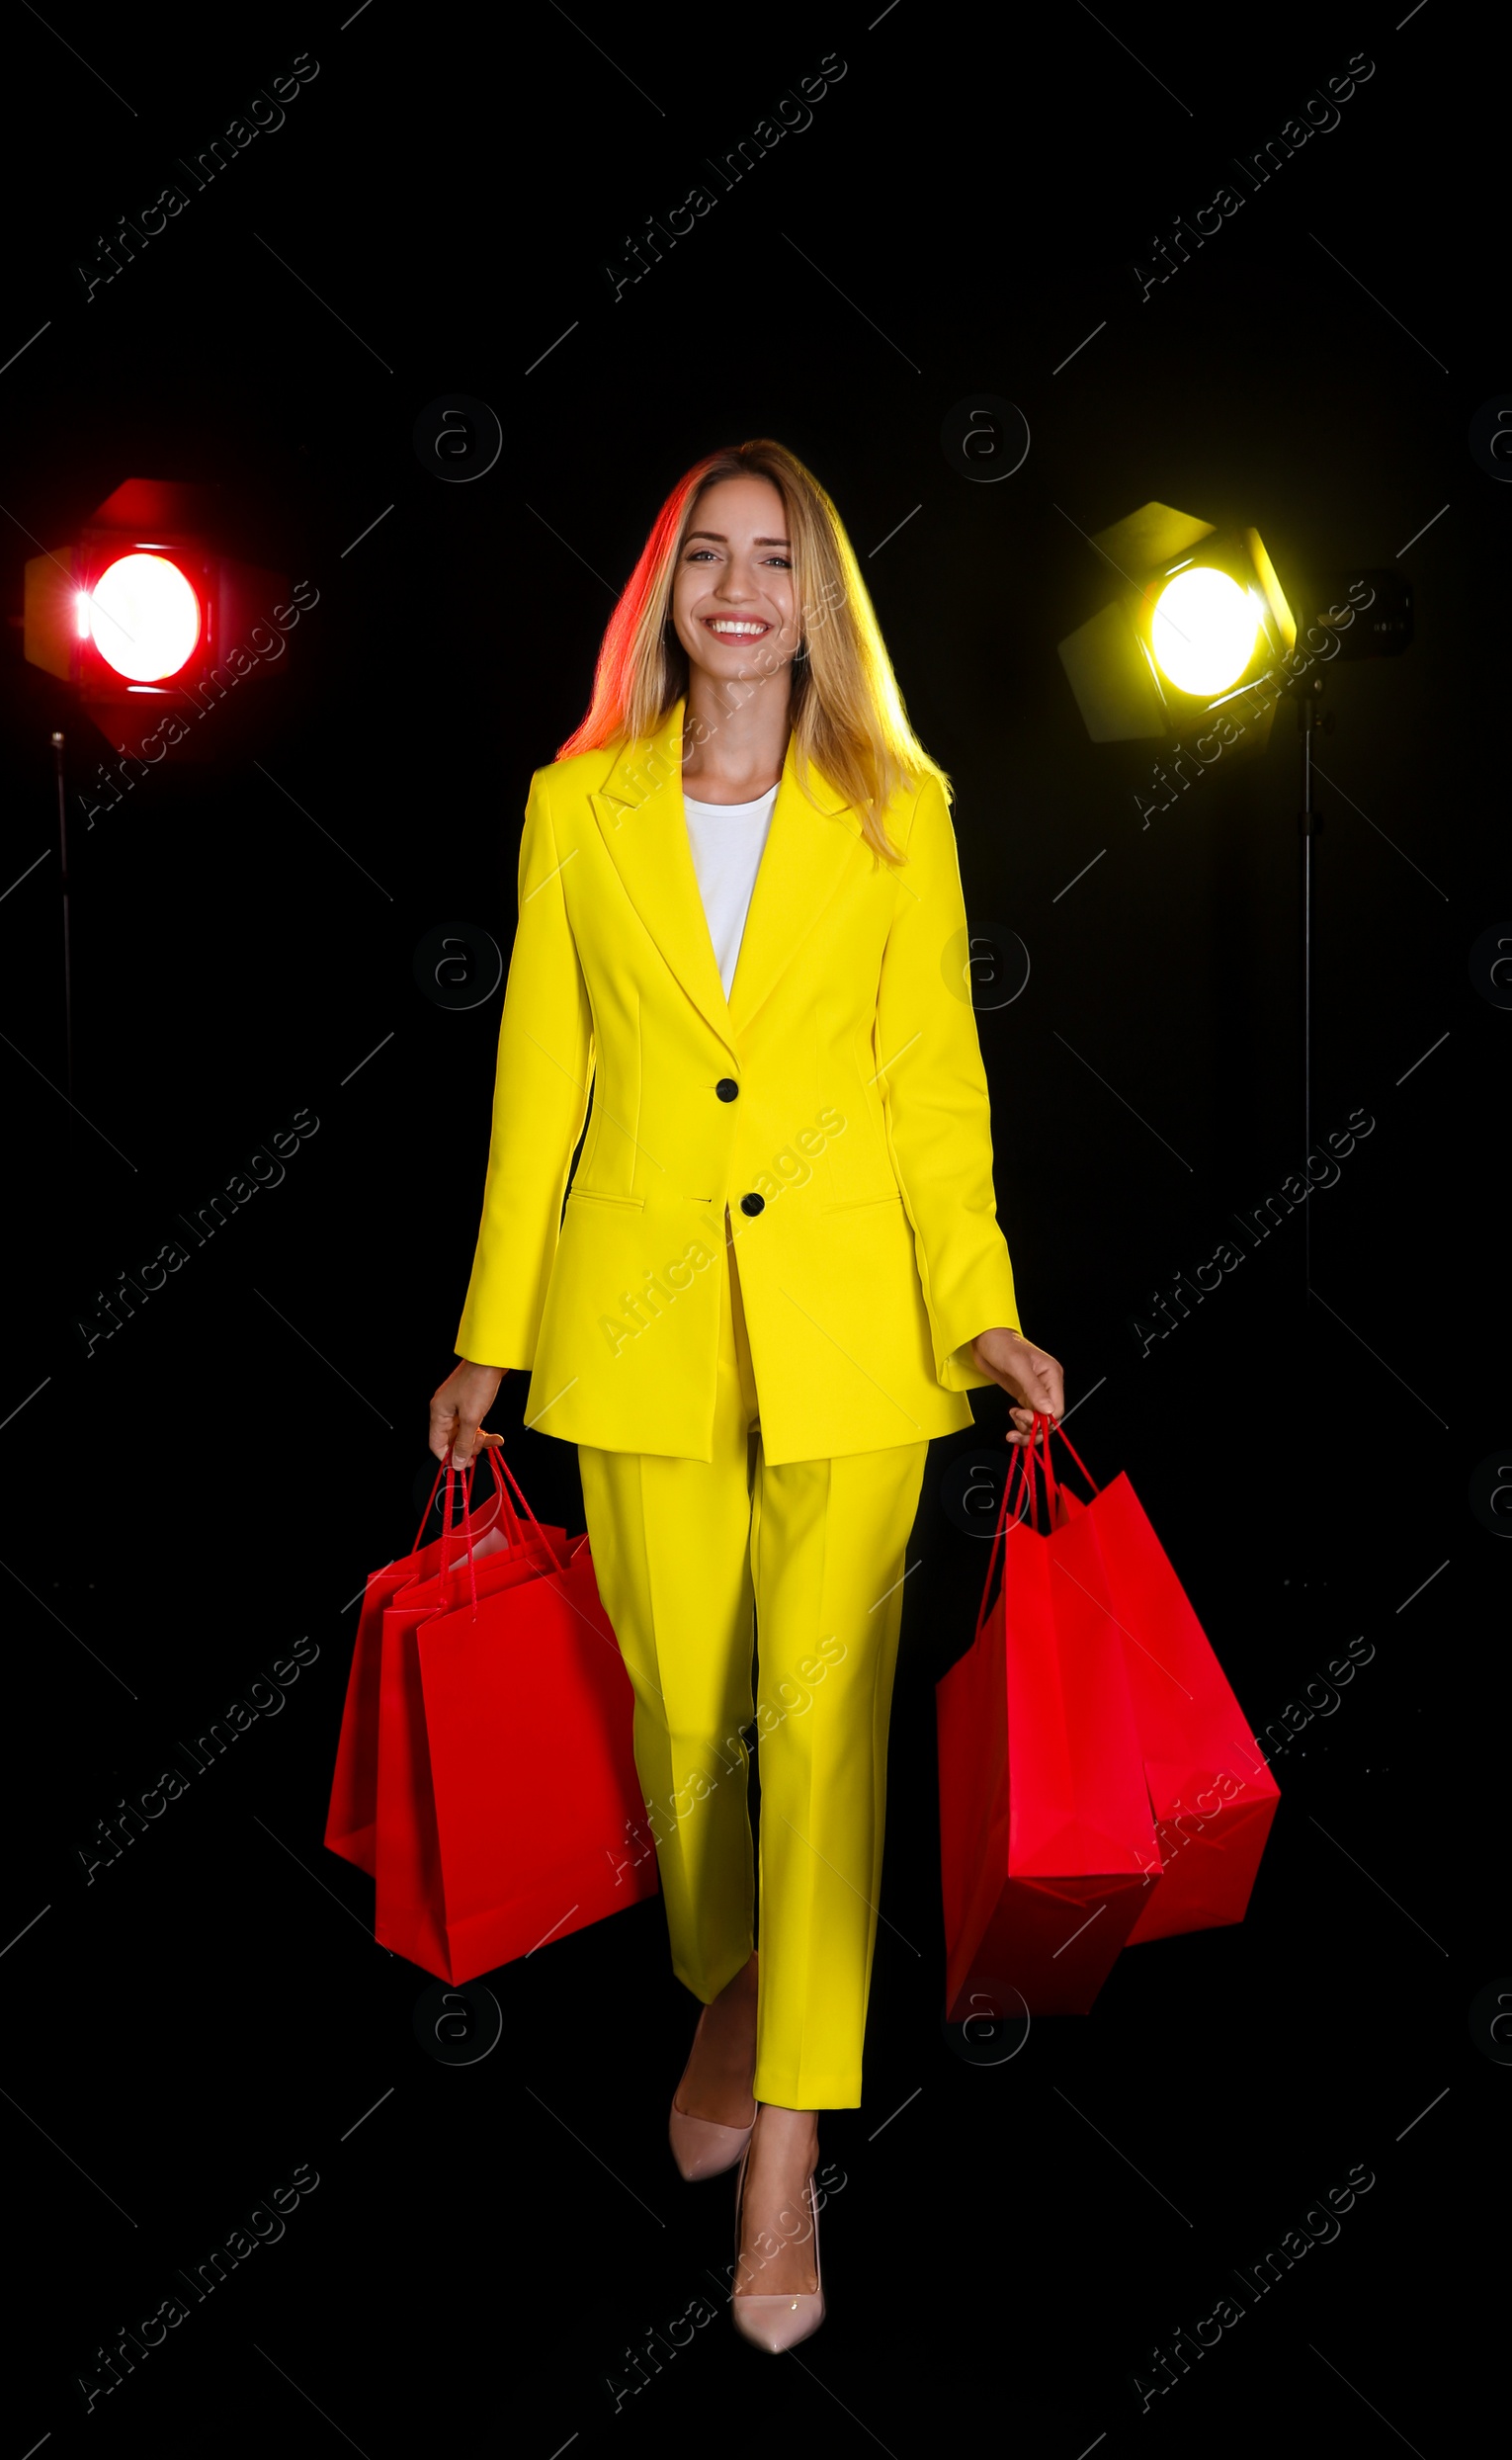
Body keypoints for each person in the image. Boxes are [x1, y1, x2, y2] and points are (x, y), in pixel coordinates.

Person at [429, 439, 1063, 2351]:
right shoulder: (578, 806)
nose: (738, 590)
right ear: (667, 590)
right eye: (706, 555)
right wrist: (492, 1332)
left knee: (828, 1740)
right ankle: (732, 1976)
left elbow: (935, 1087)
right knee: (684, 1734)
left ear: (819, 602)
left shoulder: (900, 808)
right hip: (630, 1347)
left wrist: (985, 1314)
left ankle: (791, 2152)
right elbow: (539, 1076)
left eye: (775, 562)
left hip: (860, 1345)